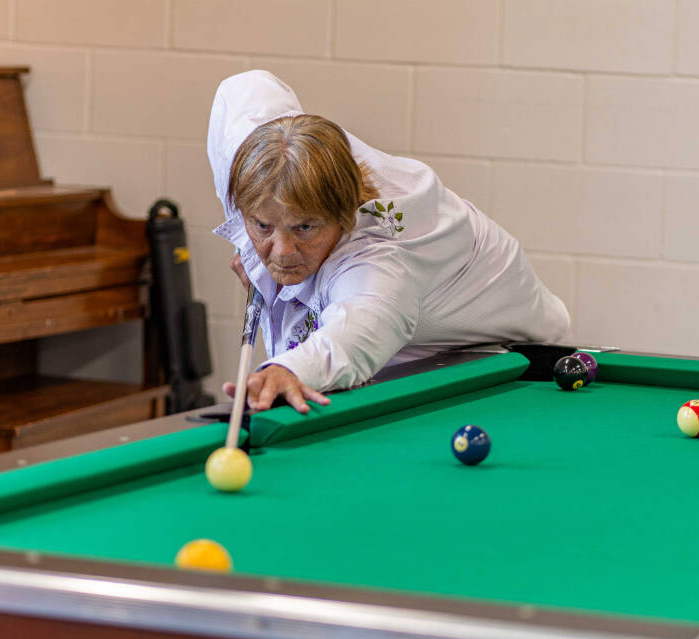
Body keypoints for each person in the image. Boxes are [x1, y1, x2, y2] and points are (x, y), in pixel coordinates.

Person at [208, 70, 571, 413]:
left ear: (343, 215)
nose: (283, 251)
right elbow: (243, 91)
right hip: (415, 327)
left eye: (304, 228)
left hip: (515, 357)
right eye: (263, 225)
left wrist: (289, 370)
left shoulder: (380, 252)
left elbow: (358, 332)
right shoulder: (269, 149)